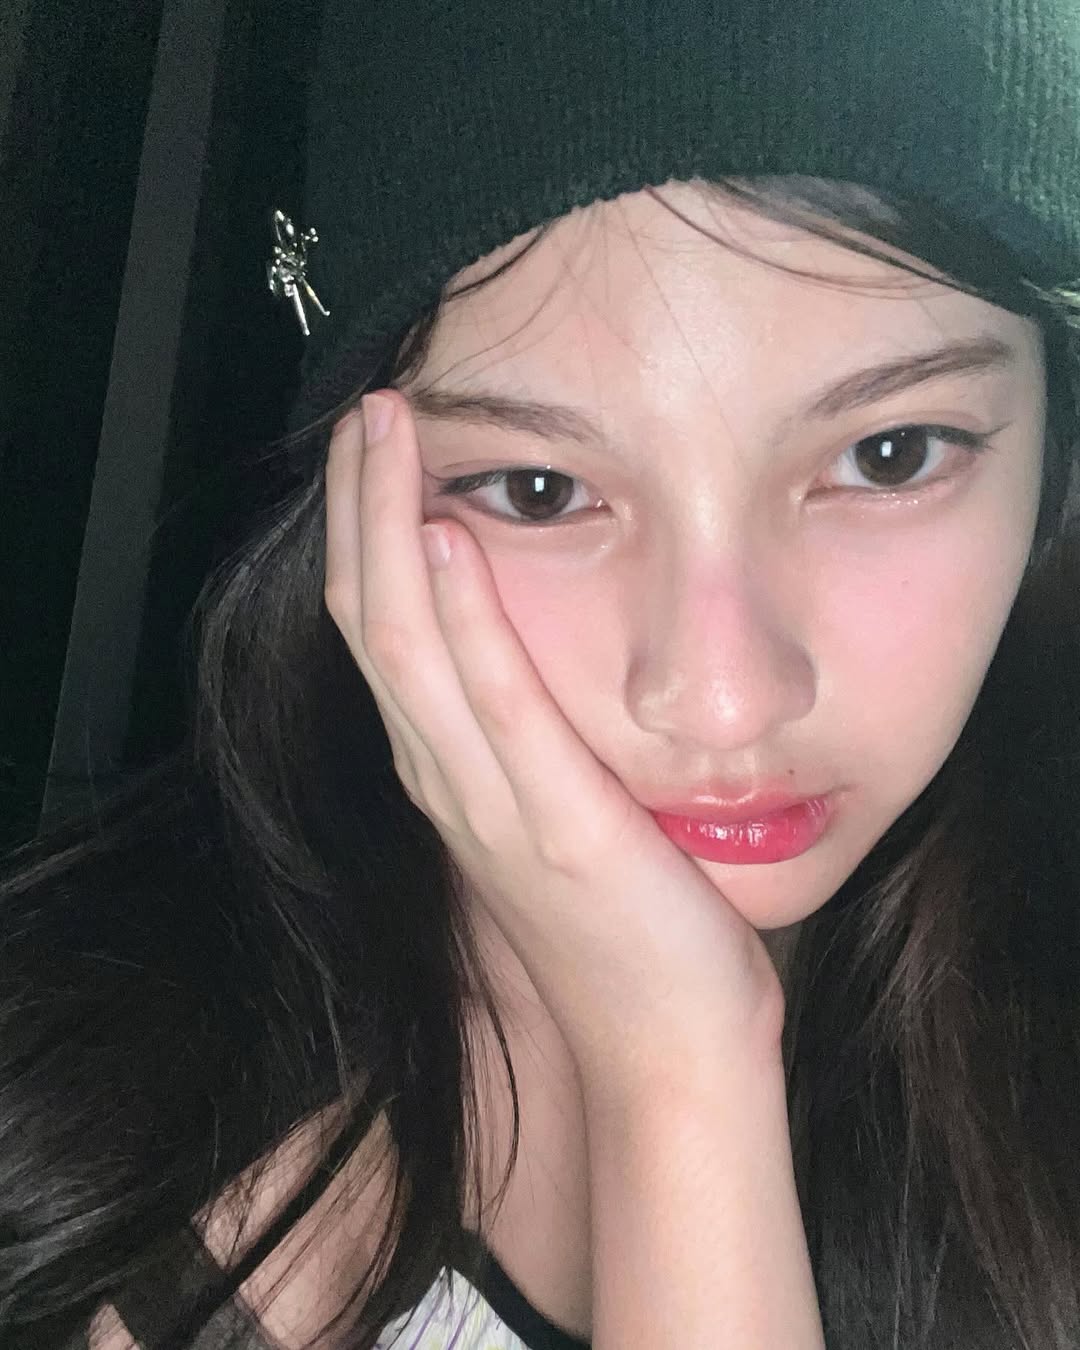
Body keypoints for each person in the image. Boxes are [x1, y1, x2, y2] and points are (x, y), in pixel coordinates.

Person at [4, 0, 1080, 1347]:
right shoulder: (130, 1167)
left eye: (888, 455)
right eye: (538, 488)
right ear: (355, 508)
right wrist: (679, 1067)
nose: (723, 697)